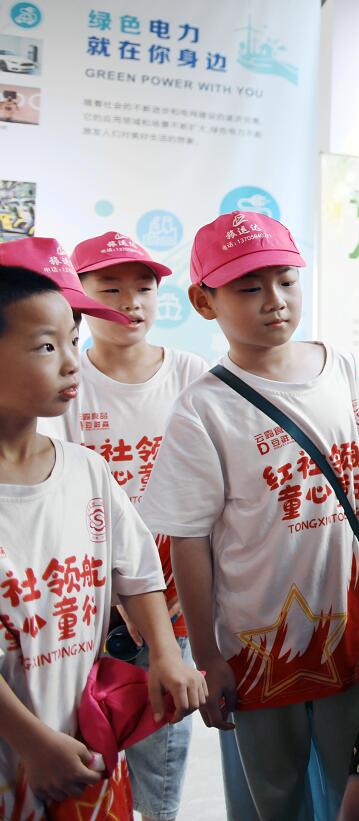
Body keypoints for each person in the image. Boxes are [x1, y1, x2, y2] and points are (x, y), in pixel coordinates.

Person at [137, 212, 359, 820]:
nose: (275, 301)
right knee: (275, 796)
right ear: (204, 302)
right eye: (248, 288)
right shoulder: (203, 408)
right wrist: (207, 655)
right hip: (256, 649)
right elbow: (189, 542)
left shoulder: (341, 369)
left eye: (286, 281)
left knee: (358, 786)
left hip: (356, 630)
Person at [0, 238, 205, 819]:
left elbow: (136, 569)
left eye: (72, 340)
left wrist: (164, 653)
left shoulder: (85, 469)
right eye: (47, 346)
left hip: (88, 740)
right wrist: (33, 743)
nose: (72, 362)